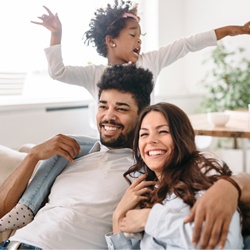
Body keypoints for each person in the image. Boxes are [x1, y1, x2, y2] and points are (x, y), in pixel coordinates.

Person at [1, 0, 250, 247]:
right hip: (98, 145)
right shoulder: (95, 74)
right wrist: (56, 35)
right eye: (133, 35)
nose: (139, 41)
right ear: (111, 40)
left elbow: (185, 45)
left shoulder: (149, 63)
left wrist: (232, 30)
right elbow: (57, 71)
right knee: (65, 143)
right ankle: (26, 207)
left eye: (121, 107)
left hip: (130, 142)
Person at [0, 64, 154, 249]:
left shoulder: (143, 169)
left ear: (142, 116)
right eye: (103, 106)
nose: (108, 116)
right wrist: (32, 156)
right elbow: (3, 209)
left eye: (121, 109)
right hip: (14, 245)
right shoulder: (69, 156)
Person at [105, 102, 244, 249]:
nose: (151, 140)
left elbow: (221, 244)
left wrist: (149, 219)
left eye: (163, 131)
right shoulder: (147, 192)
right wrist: (118, 217)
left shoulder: (202, 172)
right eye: (144, 134)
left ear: (181, 137)